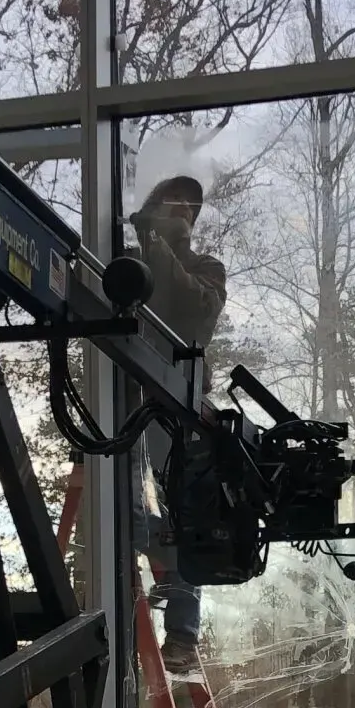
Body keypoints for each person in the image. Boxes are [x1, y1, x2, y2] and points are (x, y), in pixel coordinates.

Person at [129, 174, 226, 674]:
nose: (184, 212)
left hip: (176, 406)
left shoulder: (206, 269)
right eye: (174, 203)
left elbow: (191, 307)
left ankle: (183, 635)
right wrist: (149, 240)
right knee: (128, 513)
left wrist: (160, 239)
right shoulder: (130, 263)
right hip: (125, 405)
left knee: (185, 515)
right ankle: (133, 595)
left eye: (191, 208)